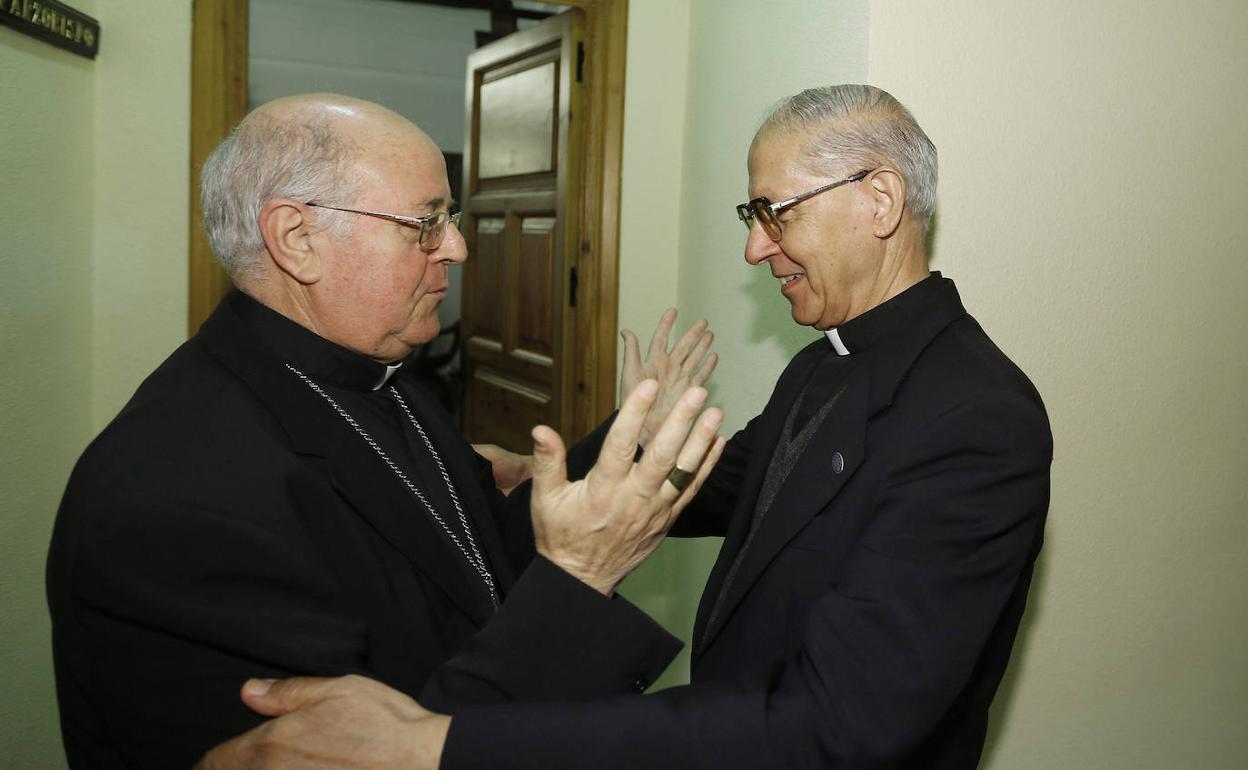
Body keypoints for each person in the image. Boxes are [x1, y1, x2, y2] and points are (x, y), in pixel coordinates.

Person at [198, 84, 1054, 770]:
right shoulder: (824, 360)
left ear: (879, 199)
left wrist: (438, 746)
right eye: (751, 219)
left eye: (774, 213)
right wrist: (544, 476)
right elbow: (711, 482)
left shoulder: (975, 418)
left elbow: (843, 725)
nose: (757, 251)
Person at [45, 93, 726, 770]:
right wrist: (581, 579)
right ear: (297, 238)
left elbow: (469, 558)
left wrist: (624, 463)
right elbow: (377, 752)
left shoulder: (375, 369)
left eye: (449, 218)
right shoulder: (178, 501)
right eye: (425, 223)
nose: (456, 248)